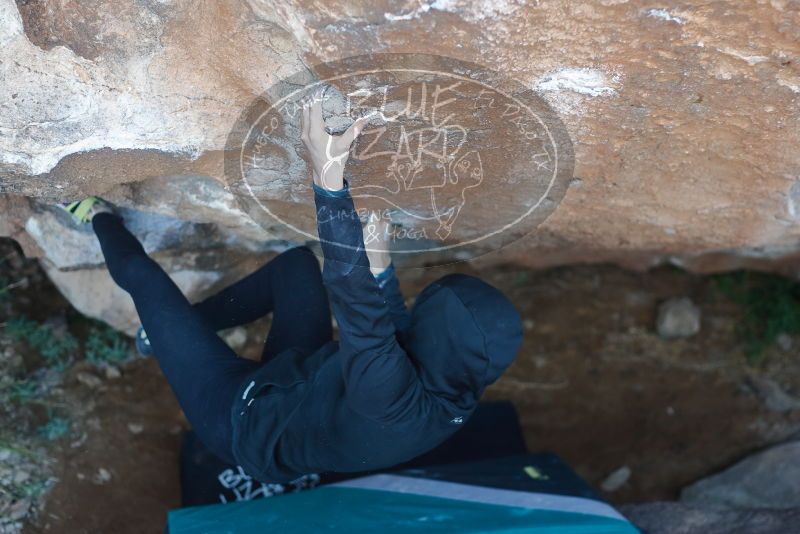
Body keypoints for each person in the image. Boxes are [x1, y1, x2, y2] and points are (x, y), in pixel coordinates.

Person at [63, 87, 523, 484]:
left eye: (429, 308)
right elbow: (401, 341)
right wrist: (382, 271)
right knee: (297, 268)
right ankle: (173, 333)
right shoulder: (457, 380)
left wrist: (328, 179)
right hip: (300, 380)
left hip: (242, 422)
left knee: (147, 283)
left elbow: (355, 301)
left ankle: (94, 214)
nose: (420, 308)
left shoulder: (392, 402)